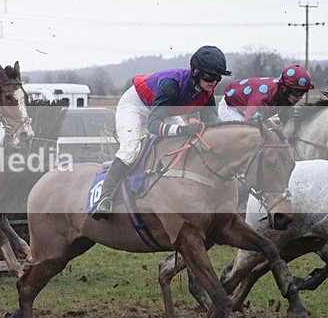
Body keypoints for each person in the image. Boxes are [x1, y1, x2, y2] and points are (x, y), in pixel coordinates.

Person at [91, 45, 230, 219]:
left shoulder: (207, 92)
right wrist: (182, 128)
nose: (213, 82)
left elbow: (212, 126)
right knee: (130, 150)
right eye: (209, 76)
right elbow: (153, 125)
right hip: (136, 105)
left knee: (185, 142)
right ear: (195, 71)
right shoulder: (171, 84)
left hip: (163, 110)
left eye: (218, 77)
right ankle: (105, 198)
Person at [218, 65, 314, 122]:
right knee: (248, 136)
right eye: (296, 92)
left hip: (250, 107)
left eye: (303, 92)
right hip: (230, 107)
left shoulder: (285, 96)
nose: (299, 97)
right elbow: (249, 122)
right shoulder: (264, 98)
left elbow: (286, 118)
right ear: (285, 88)